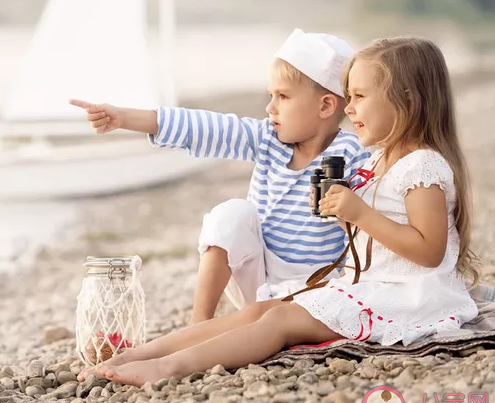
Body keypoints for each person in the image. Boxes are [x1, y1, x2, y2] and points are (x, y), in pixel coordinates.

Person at [80, 36, 480, 387]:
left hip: (408, 296)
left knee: (277, 322)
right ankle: (141, 353)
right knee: (259, 310)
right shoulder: (378, 160)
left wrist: (358, 214)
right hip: (367, 285)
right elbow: (208, 127)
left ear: (406, 101)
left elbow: (429, 252)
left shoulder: (420, 166)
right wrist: (125, 117)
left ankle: (170, 366)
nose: (350, 108)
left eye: (358, 97)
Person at [70, 28, 371, 326]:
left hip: (319, 288)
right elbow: (204, 126)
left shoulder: (353, 153)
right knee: (231, 214)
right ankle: (200, 322)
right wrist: (123, 118)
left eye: (283, 96)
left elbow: (375, 217)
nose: (270, 107)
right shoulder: (268, 139)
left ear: (326, 105)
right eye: (271, 95)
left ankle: (262, 325)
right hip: (258, 282)